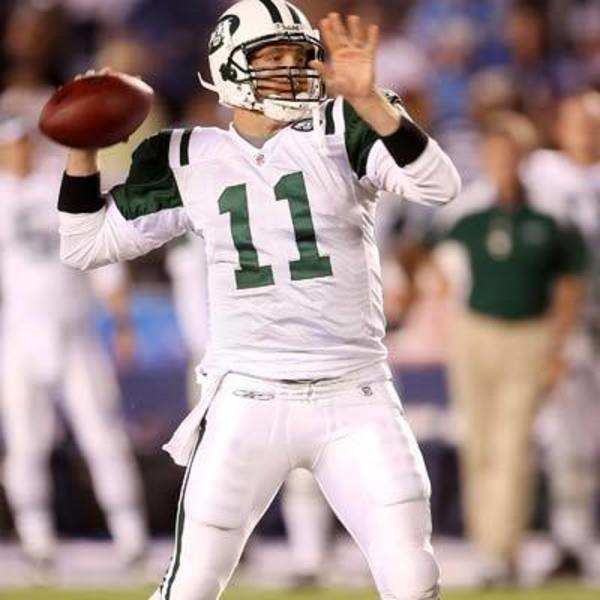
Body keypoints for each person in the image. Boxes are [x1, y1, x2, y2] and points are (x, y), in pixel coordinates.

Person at [56, 1, 461, 598]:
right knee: (191, 584)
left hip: (355, 392)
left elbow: (439, 186)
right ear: (228, 68)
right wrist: (81, 150)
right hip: (248, 395)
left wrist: (372, 101)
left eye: (301, 57)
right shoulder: (188, 157)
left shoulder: (342, 126)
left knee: (412, 576)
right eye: (273, 58)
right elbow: (84, 243)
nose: (292, 71)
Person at [436, 111, 588, 587]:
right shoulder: (466, 207)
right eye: (495, 153)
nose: (502, 161)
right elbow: (434, 258)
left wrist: (560, 344)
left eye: (510, 153)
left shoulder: (550, 208)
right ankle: (489, 548)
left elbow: (570, 281)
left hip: (530, 333)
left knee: (513, 445)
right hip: (475, 331)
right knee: (477, 444)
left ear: (524, 157)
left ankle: (502, 551)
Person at [0, 117, 148, 570]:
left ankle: (131, 536)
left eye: (22, 143)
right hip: (21, 333)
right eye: (10, 145)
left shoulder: (55, 187)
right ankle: (37, 540)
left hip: (75, 330)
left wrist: (121, 320)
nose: (18, 152)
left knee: (102, 435)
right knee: (25, 442)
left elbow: (99, 252)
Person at [524, 91, 600, 581]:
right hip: (565, 323)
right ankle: (569, 541)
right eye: (579, 121)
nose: (587, 131)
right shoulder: (541, 174)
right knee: (566, 443)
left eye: (594, 123)